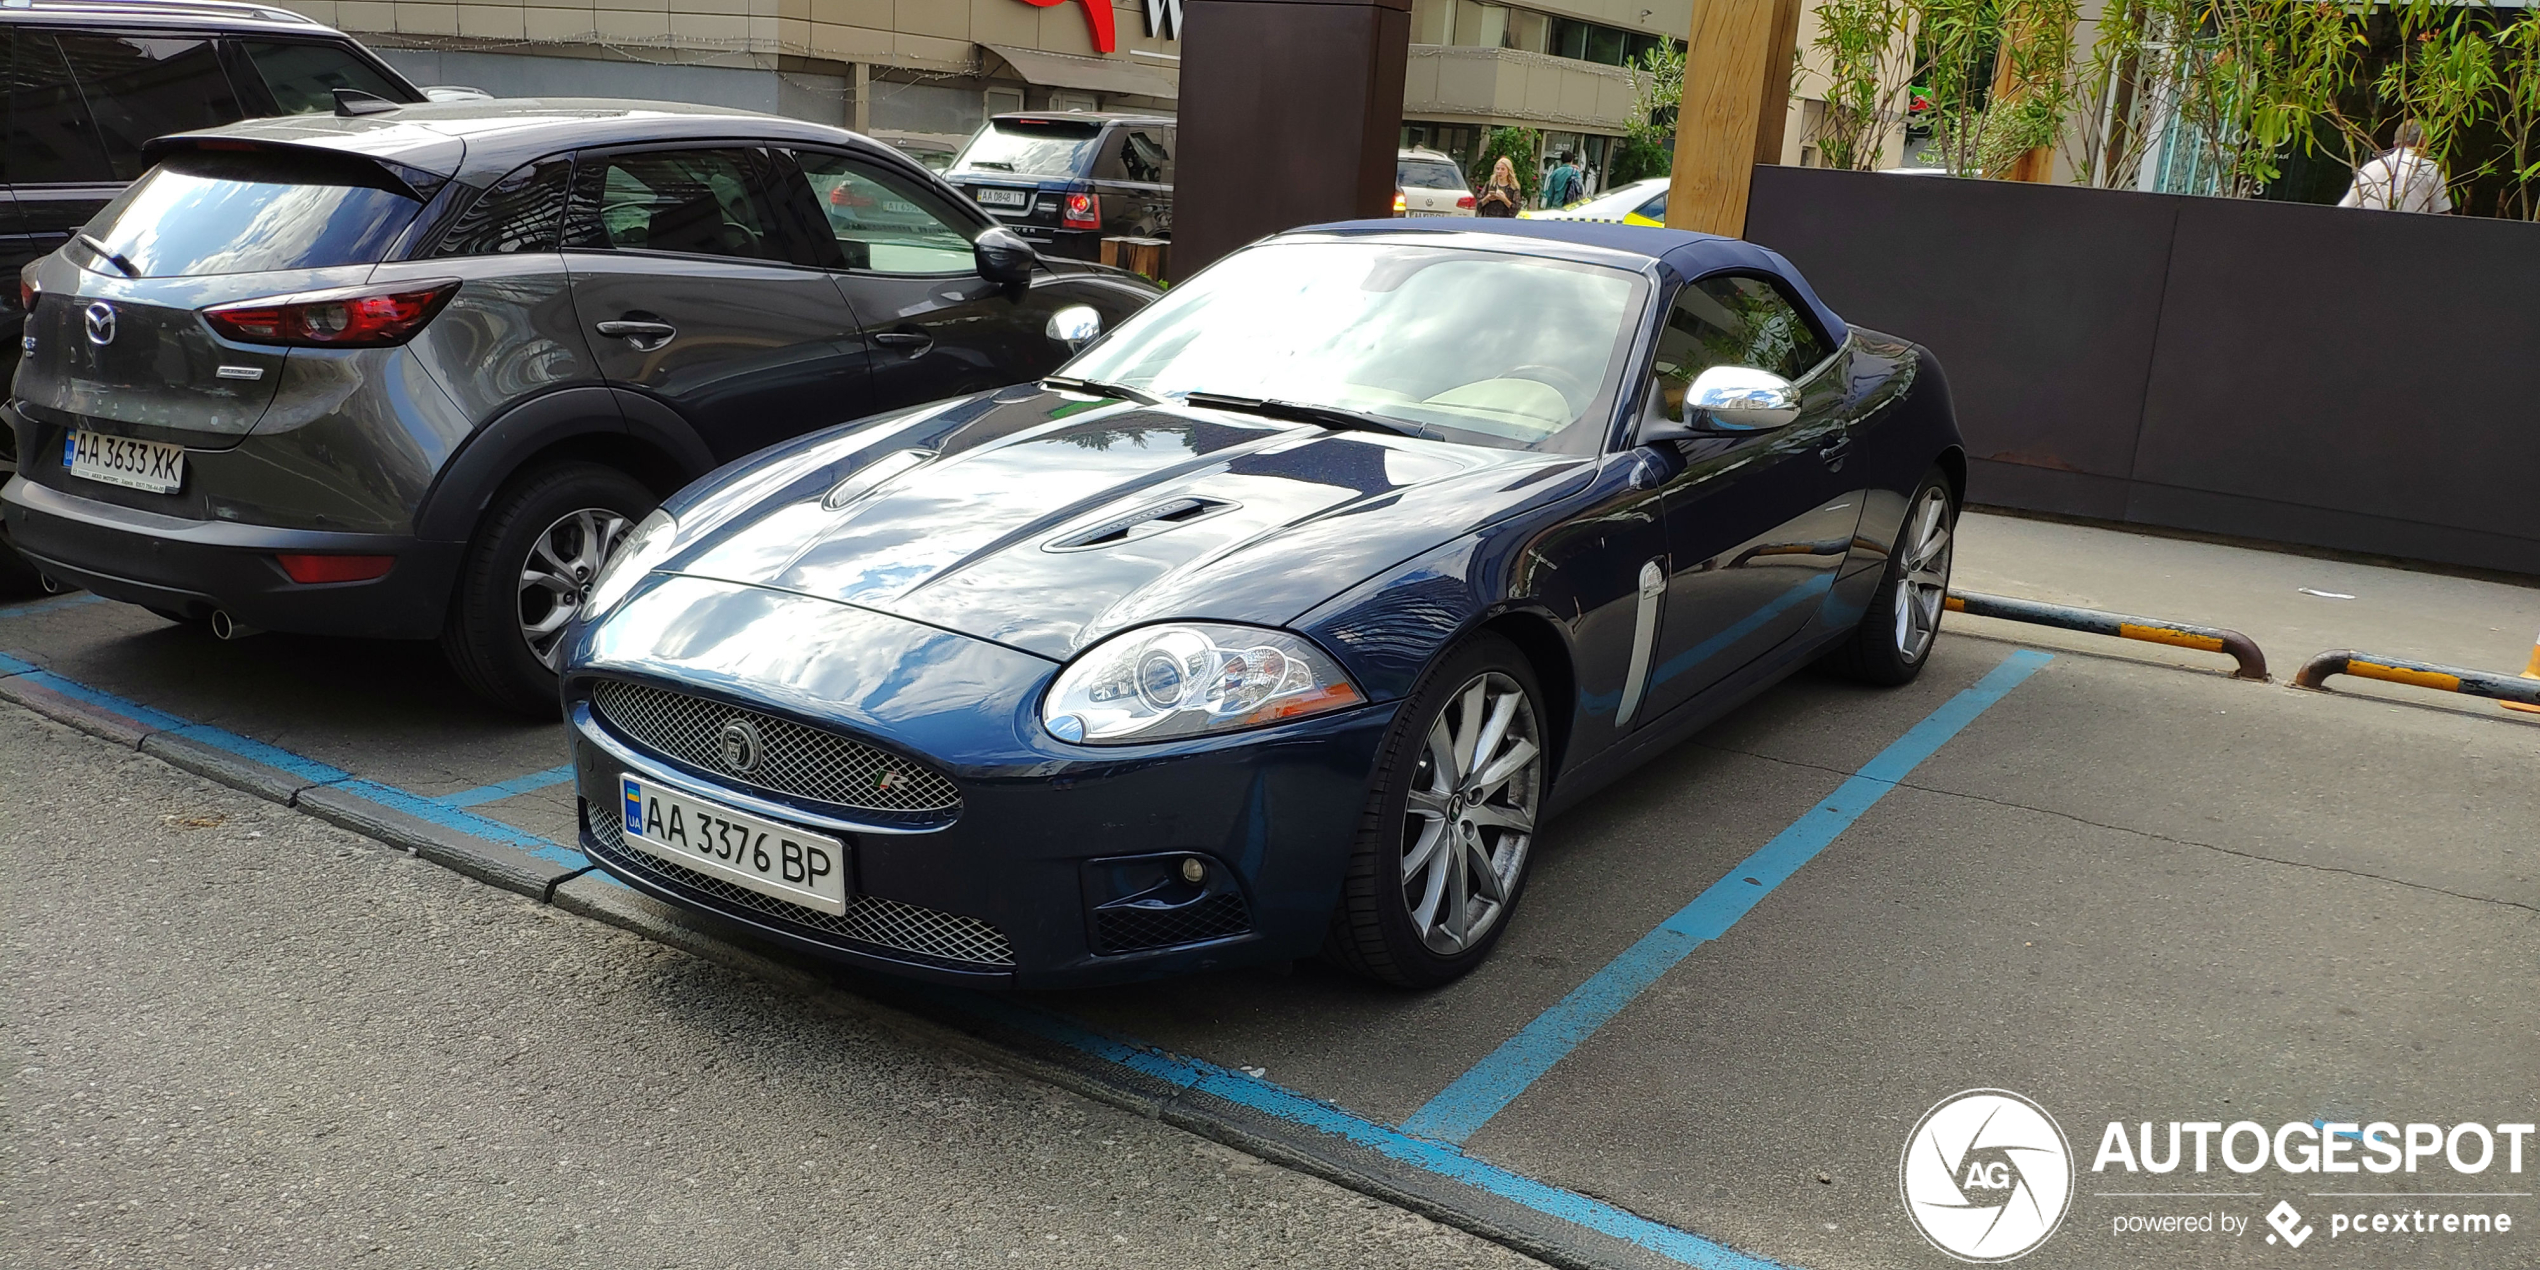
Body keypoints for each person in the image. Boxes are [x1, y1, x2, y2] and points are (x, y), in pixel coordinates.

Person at [2338, 120, 2451, 214]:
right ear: (2424, 141)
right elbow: (2441, 213)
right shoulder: (2430, 168)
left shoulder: (2370, 168)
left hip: (2368, 234)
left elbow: (2345, 209)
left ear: (2395, 144)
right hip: (2411, 235)